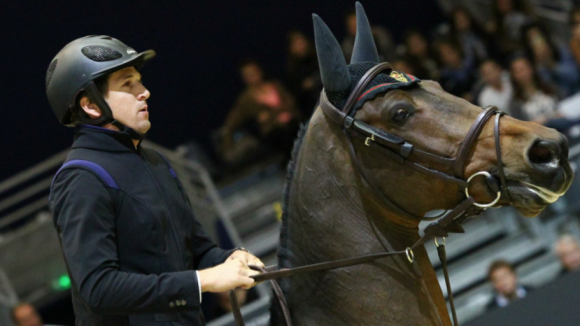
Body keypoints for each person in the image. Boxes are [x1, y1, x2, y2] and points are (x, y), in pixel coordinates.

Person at [46, 36, 264, 326]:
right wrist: (201, 282)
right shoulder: (81, 178)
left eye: (140, 81)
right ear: (91, 106)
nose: (145, 92)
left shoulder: (157, 162)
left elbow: (198, 251)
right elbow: (98, 289)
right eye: (127, 84)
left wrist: (229, 258)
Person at [220, 60, 300, 161]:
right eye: (247, 74)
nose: (252, 75)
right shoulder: (246, 99)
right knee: (285, 138)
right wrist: (227, 145)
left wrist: (273, 114)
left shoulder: (275, 85)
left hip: (294, 122)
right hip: (274, 131)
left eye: (253, 72)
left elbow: (291, 102)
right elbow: (231, 122)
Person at [521, 22, 580, 97]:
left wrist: (552, 65)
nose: (537, 42)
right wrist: (542, 66)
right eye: (531, 39)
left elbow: (575, 77)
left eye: (538, 37)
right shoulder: (531, 66)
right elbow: (552, 92)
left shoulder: (560, 50)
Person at [509, 55, 560, 124]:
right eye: (518, 71)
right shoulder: (515, 103)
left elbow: (563, 104)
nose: (522, 74)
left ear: (531, 68)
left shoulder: (549, 87)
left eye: (523, 69)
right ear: (514, 76)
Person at [285, 30, 320, 119]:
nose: (301, 46)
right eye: (296, 44)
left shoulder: (319, 58)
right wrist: (304, 87)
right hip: (310, 111)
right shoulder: (292, 71)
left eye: (301, 42)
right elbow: (294, 96)